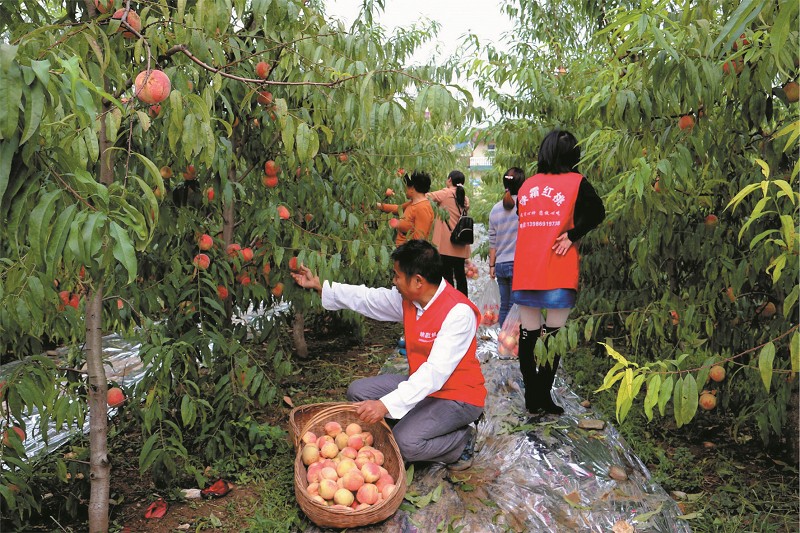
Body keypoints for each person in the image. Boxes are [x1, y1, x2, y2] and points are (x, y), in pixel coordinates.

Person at [290, 239, 485, 470]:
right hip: (423, 387)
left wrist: (385, 404)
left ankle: (461, 443)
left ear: (418, 281)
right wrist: (320, 285)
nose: (394, 281)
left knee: (404, 443)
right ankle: (418, 423)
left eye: (397, 276)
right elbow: (368, 298)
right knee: (358, 392)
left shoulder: (458, 313)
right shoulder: (410, 300)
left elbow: (434, 373)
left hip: (458, 396)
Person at [512, 130, 605, 415]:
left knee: (528, 336)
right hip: (559, 269)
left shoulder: (527, 186)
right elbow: (598, 212)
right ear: (573, 155)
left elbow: (522, 217)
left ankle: (533, 396)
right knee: (553, 336)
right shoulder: (578, 183)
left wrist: (568, 231)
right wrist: (573, 234)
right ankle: (543, 395)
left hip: (526, 268)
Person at [488, 167, 526, 328]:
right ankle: (512, 344)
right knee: (514, 306)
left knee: (504, 306)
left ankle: (504, 343)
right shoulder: (526, 206)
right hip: (518, 264)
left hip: (501, 265)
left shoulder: (495, 209)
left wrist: (491, 265)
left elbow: (492, 241)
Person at [428, 170, 470, 296]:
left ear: (450, 180)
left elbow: (425, 196)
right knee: (461, 277)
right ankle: (464, 304)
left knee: (447, 277)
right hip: (460, 244)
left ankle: (450, 305)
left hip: (446, 245)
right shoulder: (465, 198)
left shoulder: (445, 193)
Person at [376, 171, 434, 247]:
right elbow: (398, 209)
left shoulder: (423, 208)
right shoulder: (413, 203)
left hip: (409, 256)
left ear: (412, 188)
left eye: (405, 186)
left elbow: (418, 242)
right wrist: (378, 205)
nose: (404, 189)